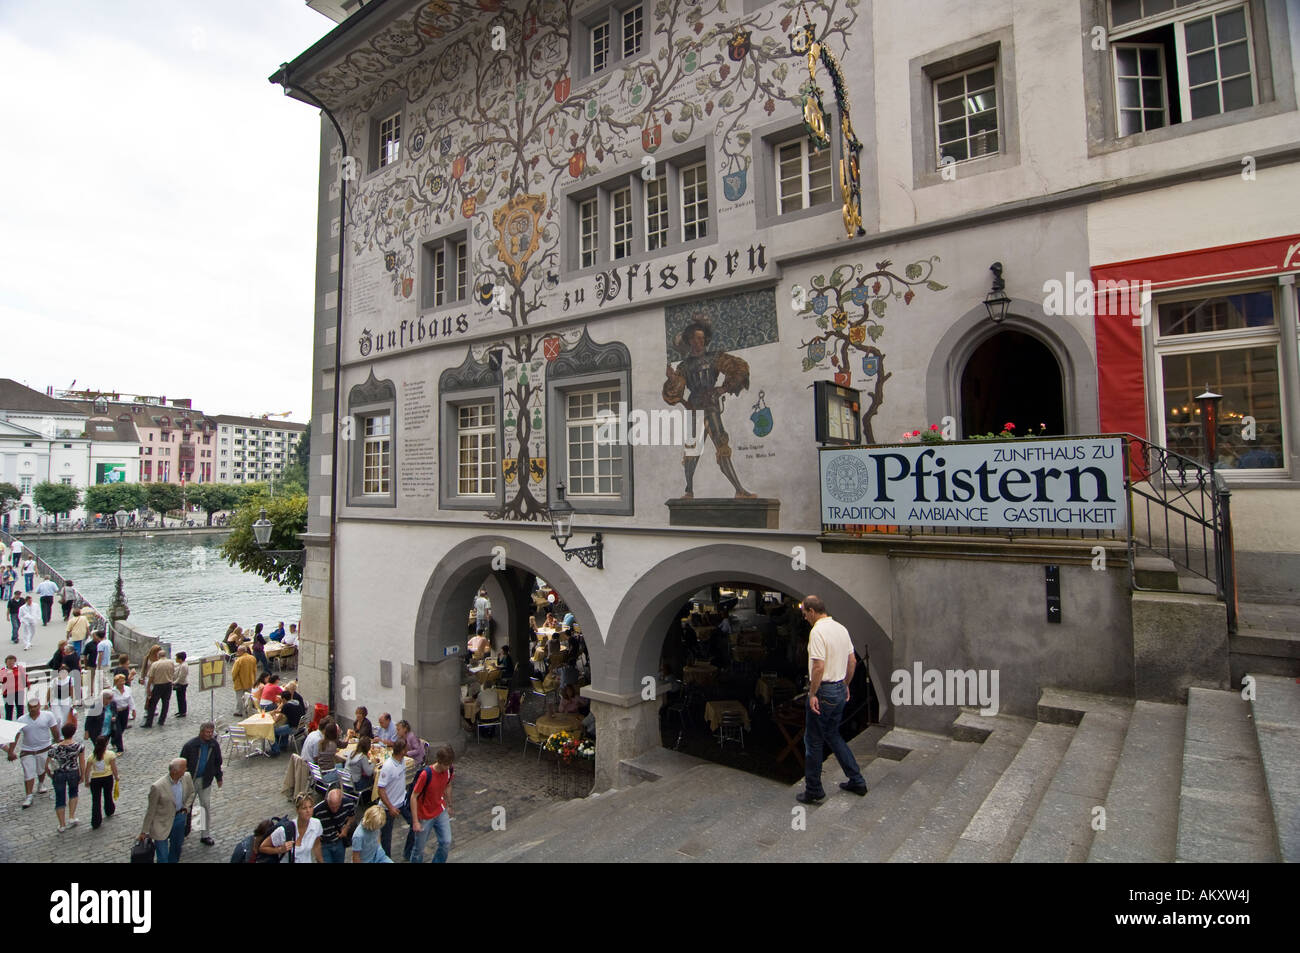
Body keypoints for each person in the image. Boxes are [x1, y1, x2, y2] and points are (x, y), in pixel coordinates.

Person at [663, 314, 757, 499]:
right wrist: (673, 378)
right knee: (691, 451)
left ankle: (739, 490)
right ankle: (688, 491)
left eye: (701, 338)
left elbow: (738, 367)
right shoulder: (684, 365)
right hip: (694, 408)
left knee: (722, 445)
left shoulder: (715, 358)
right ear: (689, 341)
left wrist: (724, 388)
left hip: (711, 406)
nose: (698, 342)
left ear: (705, 340)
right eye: (694, 338)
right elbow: (676, 389)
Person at [796, 595, 868, 804]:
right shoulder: (841, 628)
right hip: (838, 688)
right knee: (833, 735)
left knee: (813, 741)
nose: (805, 619)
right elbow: (852, 661)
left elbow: (818, 666)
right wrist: (845, 685)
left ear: (811, 611)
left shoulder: (817, 632)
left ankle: (814, 789)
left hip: (824, 690)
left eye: (805, 615)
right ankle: (856, 779)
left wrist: (812, 694)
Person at [139, 758, 196, 863]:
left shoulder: (186, 777)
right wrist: (144, 831)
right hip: (161, 823)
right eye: (184, 767)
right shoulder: (157, 787)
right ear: (175, 771)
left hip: (179, 818)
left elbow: (192, 792)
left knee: (176, 848)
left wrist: (186, 808)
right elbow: (151, 810)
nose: (186, 769)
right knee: (163, 856)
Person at [405, 746, 455, 863]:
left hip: (440, 810)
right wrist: (416, 821)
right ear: (440, 762)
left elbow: (448, 785)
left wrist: (450, 804)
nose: (448, 768)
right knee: (419, 850)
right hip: (424, 815)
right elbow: (414, 796)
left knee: (446, 842)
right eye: (446, 765)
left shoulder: (449, 770)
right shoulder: (426, 774)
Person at [8, 697, 59, 808]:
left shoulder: (48, 716)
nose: (33, 709)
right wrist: (11, 751)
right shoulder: (22, 720)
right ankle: (29, 795)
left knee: (41, 769)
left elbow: (54, 730)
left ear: (39, 706)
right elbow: (16, 736)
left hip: (44, 748)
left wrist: (58, 744)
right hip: (27, 750)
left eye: (35, 707)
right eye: (31, 707)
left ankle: (40, 784)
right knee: (28, 772)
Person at [180, 722, 223, 847]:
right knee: (186, 806)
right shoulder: (190, 746)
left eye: (211, 732)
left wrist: (219, 777)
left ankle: (205, 835)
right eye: (207, 732)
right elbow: (182, 763)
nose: (209, 734)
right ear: (201, 732)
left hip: (205, 780)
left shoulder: (214, 745)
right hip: (190, 781)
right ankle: (184, 831)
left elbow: (217, 762)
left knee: (205, 806)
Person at [376, 738, 411, 858]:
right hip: (389, 807)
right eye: (406, 748)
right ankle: (386, 859)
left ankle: (408, 853)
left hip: (402, 802)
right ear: (401, 751)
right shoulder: (388, 766)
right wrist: (390, 807)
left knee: (415, 824)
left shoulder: (402, 761)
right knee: (386, 837)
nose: (408, 750)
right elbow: (380, 789)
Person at [49, 722, 85, 833]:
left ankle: (62, 824)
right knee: (73, 793)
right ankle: (71, 816)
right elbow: (82, 762)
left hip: (59, 773)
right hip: (73, 772)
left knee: (60, 798)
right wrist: (82, 774)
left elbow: (48, 763)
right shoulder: (78, 746)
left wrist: (50, 774)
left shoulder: (54, 748)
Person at [269, 791, 323, 863]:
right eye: (304, 808)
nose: (308, 811)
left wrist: (320, 860)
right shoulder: (284, 830)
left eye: (310, 807)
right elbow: (263, 847)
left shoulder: (316, 824)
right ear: (298, 810)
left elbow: (317, 845)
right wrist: (280, 850)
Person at [83, 734, 118, 829]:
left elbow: (87, 770)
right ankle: (109, 809)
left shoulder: (91, 757)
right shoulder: (110, 754)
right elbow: (113, 767)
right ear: (106, 744)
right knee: (108, 795)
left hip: (95, 779)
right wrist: (116, 776)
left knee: (96, 800)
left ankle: (96, 820)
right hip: (107, 777)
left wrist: (86, 780)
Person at [313, 787, 356, 864]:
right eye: (332, 806)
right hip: (324, 844)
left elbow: (352, 817)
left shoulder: (348, 803)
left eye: (337, 806)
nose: (335, 810)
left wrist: (346, 827)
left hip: (339, 842)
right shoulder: (317, 811)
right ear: (327, 800)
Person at [142, 650, 176, 728]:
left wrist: (148, 688)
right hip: (168, 685)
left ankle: (149, 722)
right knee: (165, 703)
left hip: (158, 685)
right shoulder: (171, 662)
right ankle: (162, 720)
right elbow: (173, 673)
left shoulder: (155, 664)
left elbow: (151, 677)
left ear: (158, 656)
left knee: (152, 704)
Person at [269, 688, 306, 756]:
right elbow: (287, 711)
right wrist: (277, 711)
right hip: (300, 727)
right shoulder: (296, 702)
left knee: (271, 731)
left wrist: (273, 716)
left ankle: (275, 750)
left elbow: (277, 719)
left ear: (283, 699)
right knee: (285, 724)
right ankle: (283, 745)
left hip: (293, 728)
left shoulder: (286, 706)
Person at [344, 736, 376, 812]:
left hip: (346, 781)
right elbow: (369, 772)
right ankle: (373, 798)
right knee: (374, 777)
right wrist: (374, 763)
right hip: (356, 784)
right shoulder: (363, 757)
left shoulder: (352, 753)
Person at [109, 673, 135, 754]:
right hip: (116, 712)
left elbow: (130, 700)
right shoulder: (112, 692)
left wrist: (133, 710)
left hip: (125, 711)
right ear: (116, 683)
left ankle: (113, 740)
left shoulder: (127, 689)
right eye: (120, 681)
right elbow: (110, 704)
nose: (122, 683)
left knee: (123, 727)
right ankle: (120, 749)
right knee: (118, 730)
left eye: (123, 680)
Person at [2, 654, 30, 720]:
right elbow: (2, 680)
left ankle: (20, 723)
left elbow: (24, 677)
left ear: (15, 662)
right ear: (6, 663)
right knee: (9, 710)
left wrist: (28, 684)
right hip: (8, 693)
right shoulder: (3, 670)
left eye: (12, 662)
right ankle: (9, 724)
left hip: (19, 691)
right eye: (9, 662)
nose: (11, 664)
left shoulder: (20, 668)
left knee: (20, 709)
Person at [230, 645, 256, 715]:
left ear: (241, 651)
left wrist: (234, 679)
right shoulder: (252, 658)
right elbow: (254, 670)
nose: (237, 652)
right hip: (250, 680)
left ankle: (239, 711)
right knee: (249, 697)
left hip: (240, 682)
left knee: (240, 697)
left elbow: (234, 672)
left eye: (238, 651)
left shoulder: (239, 660)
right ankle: (249, 710)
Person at [173, 651, 189, 718]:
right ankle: (181, 711)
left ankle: (182, 712)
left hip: (182, 684)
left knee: (181, 698)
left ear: (180, 659)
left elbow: (181, 677)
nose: (175, 659)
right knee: (180, 698)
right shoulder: (182, 665)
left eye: (176, 658)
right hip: (181, 683)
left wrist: (174, 683)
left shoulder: (183, 666)